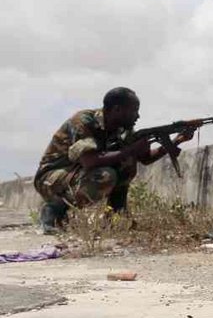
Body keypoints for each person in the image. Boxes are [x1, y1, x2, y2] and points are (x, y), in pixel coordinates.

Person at [33, 87, 194, 233]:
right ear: (117, 110)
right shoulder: (84, 121)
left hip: (76, 174)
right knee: (105, 175)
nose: (138, 115)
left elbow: (145, 159)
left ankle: (116, 215)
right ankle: (54, 210)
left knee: (127, 165)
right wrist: (130, 150)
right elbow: (89, 161)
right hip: (52, 178)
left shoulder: (123, 129)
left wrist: (176, 141)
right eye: (134, 111)